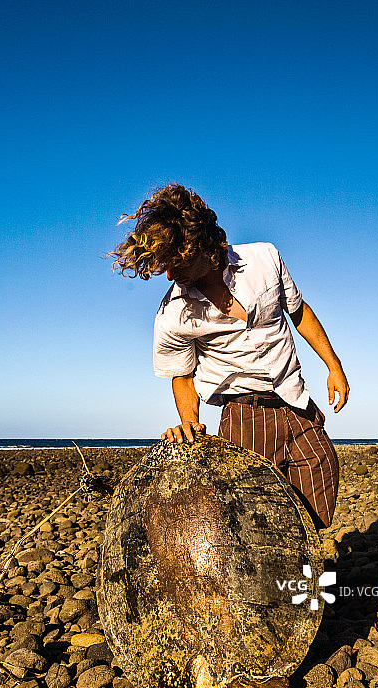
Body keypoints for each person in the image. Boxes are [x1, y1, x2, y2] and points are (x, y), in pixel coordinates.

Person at [109, 183, 350, 530]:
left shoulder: (265, 258)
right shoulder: (173, 313)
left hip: (297, 403)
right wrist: (189, 420)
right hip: (244, 418)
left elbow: (299, 313)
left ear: (203, 247)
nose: (171, 274)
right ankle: (283, 580)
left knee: (318, 499)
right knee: (254, 522)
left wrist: (334, 365)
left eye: (178, 262)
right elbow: (182, 374)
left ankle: (304, 570)